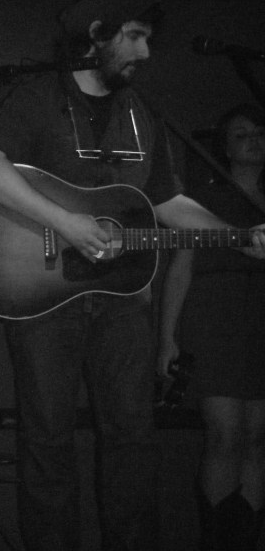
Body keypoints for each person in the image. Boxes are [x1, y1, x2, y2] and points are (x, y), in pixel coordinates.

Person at [0, 0, 265, 551]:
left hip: (125, 301)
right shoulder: (37, 96)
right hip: (42, 298)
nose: (145, 52)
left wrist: (237, 237)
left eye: (147, 39)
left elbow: (167, 202)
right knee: (48, 440)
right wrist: (66, 223)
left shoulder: (141, 112)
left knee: (133, 438)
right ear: (97, 35)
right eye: (134, 37)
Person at [157, 103, 265, 550]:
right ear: (224, 147)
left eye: (259, 132)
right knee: (224, 433)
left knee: (258, 438)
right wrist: (167, 338)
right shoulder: (202, 199)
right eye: (242, 134)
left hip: (259, 317)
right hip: (214, 315)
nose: (253, 140)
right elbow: (181, 268)